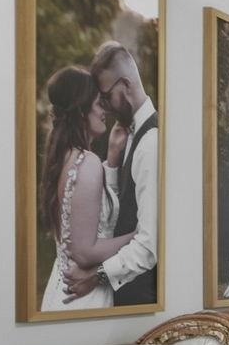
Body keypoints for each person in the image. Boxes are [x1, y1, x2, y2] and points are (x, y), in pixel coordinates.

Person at [63, 40, 158, 305]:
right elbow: (121, 211)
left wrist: (97, 276)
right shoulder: (127, 134)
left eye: (105, 96)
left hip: (140, 300)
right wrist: (113, 164)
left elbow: (150, 245)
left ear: (126, 86)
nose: (104, 106)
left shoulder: (151, 142)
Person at [37, 66, 137, 313]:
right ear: (82, 110)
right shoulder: (87, 162)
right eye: (98, 103)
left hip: (61, 289)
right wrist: (140, 236)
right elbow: (84, 252)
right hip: (83, 297)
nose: (104, 110)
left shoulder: (63, 158)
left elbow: (95, 211)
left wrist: (112, 157)